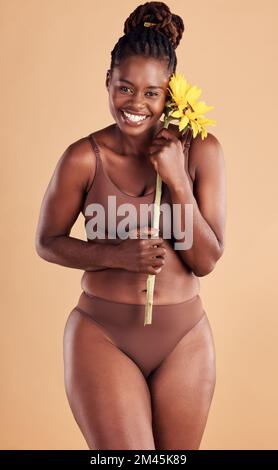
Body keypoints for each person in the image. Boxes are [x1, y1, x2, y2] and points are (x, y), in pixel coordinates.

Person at [35, 1, 226, 450]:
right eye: (124, 88)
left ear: (170, 94)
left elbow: (207, 261)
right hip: (102, 335)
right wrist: (114, 254)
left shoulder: (201, 151)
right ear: (107, 83)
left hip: (185, 339)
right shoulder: (84, 157)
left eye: (151, 93)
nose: (135, 104)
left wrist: (178, 180)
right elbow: (47, 241)